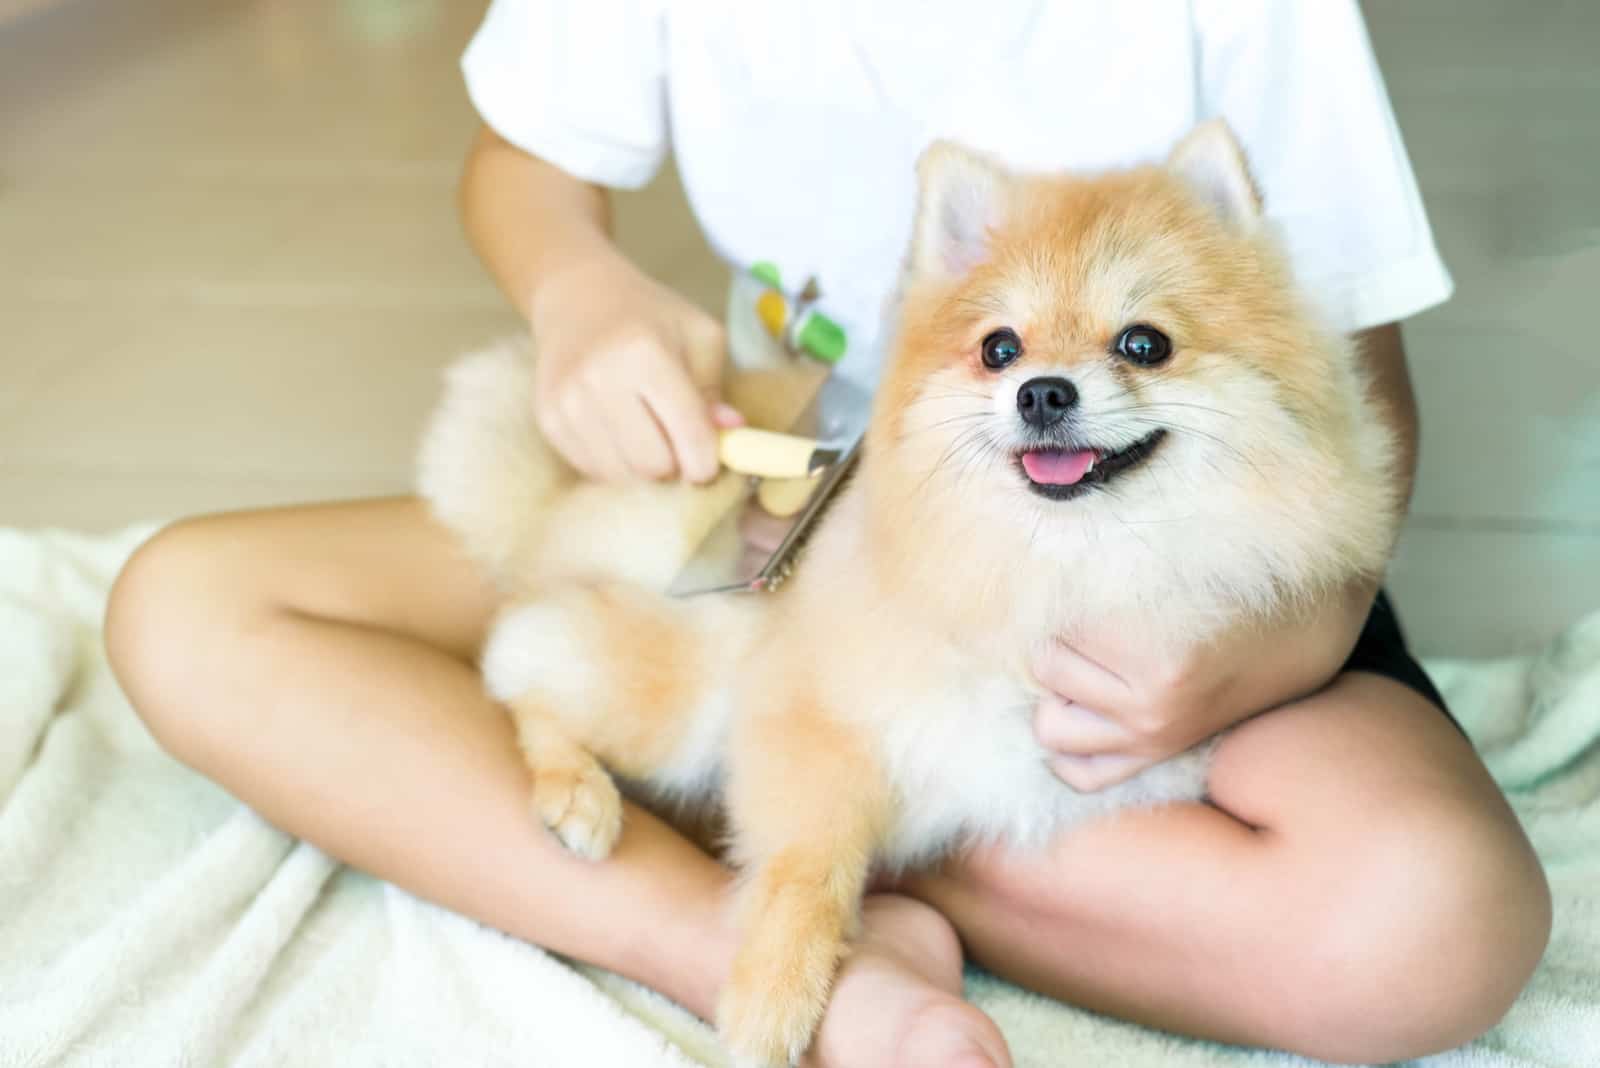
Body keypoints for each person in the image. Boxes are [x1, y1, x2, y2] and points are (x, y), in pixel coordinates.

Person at [104, 3, 1551, 1065]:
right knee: (190, 609)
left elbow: (1356, 384)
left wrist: (1266, 649)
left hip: (1166, 570)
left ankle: (812, 821)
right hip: (770, 512)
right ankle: (770, 938)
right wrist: (576, 293)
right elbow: (521, 169)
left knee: (1435, 924)